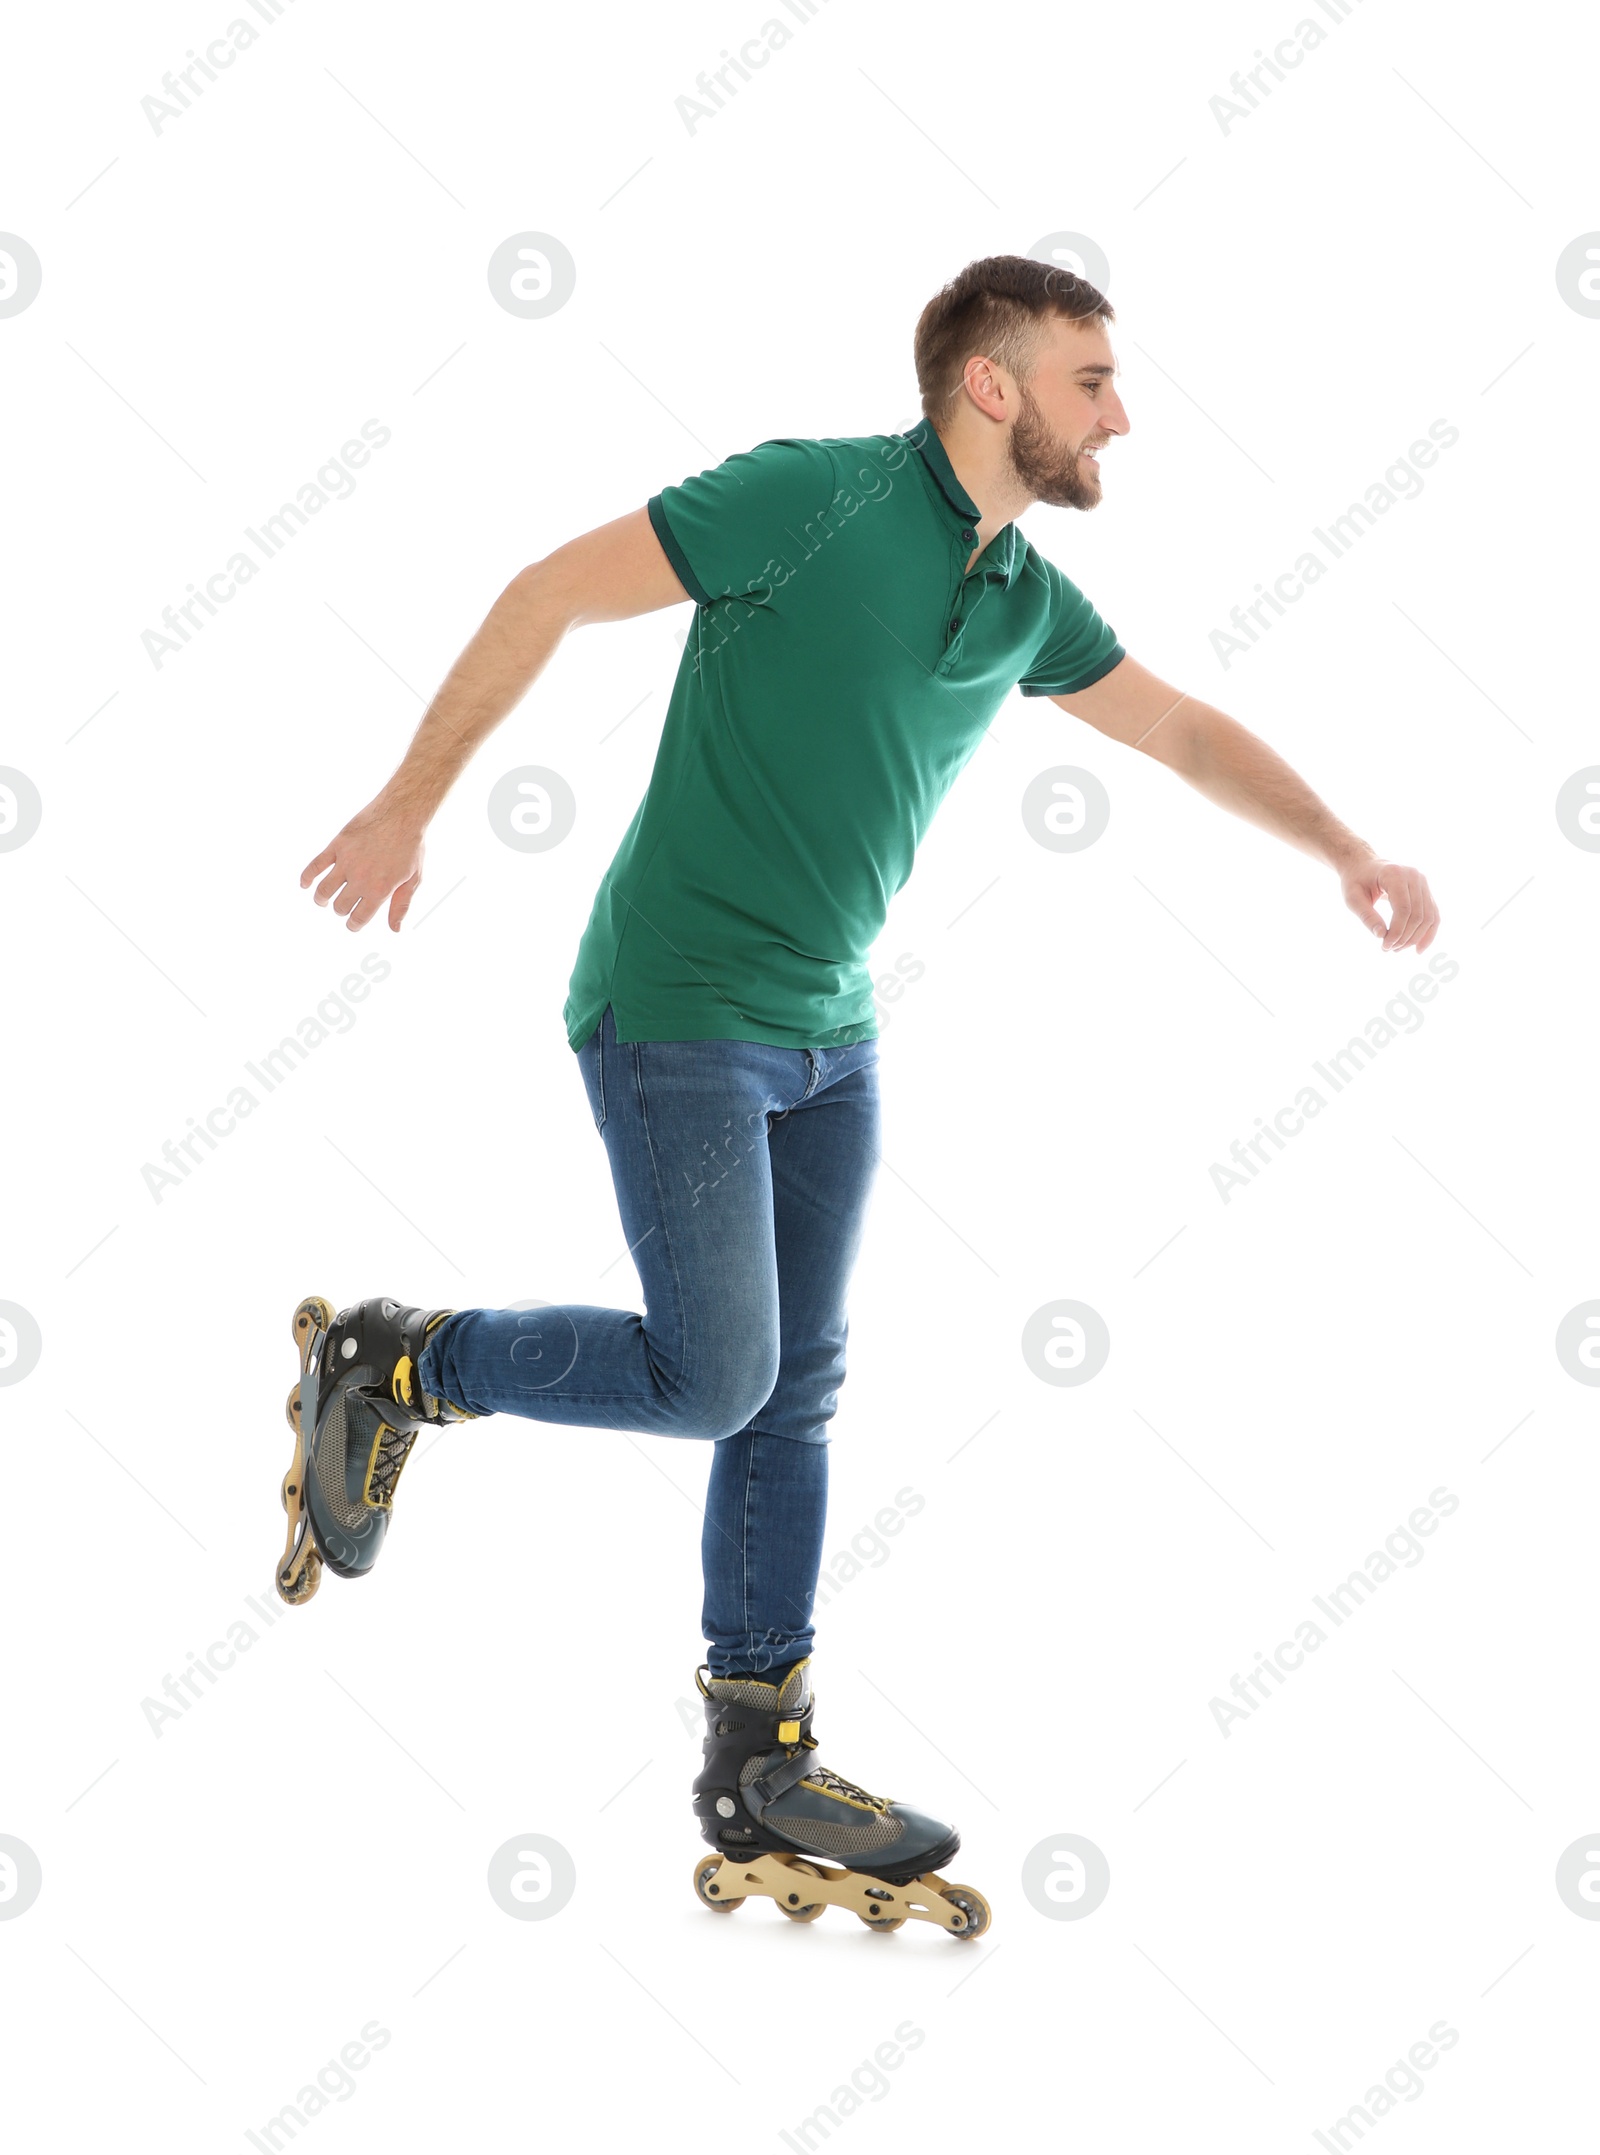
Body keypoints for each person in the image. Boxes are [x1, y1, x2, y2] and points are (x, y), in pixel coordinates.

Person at [278, 254, 1439, 1937]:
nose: (1121, 411)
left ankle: (760, 1754)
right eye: (1091, 379)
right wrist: (406, 804)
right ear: (992, 384)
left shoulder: (1024, 593)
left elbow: (1178, 731)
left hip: (832, 1035)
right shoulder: (809, 499)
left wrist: (1343, 846)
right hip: (675, 1005)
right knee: (716, 1371)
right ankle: (393, 1361)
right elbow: (546, 589)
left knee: (791, 1391)